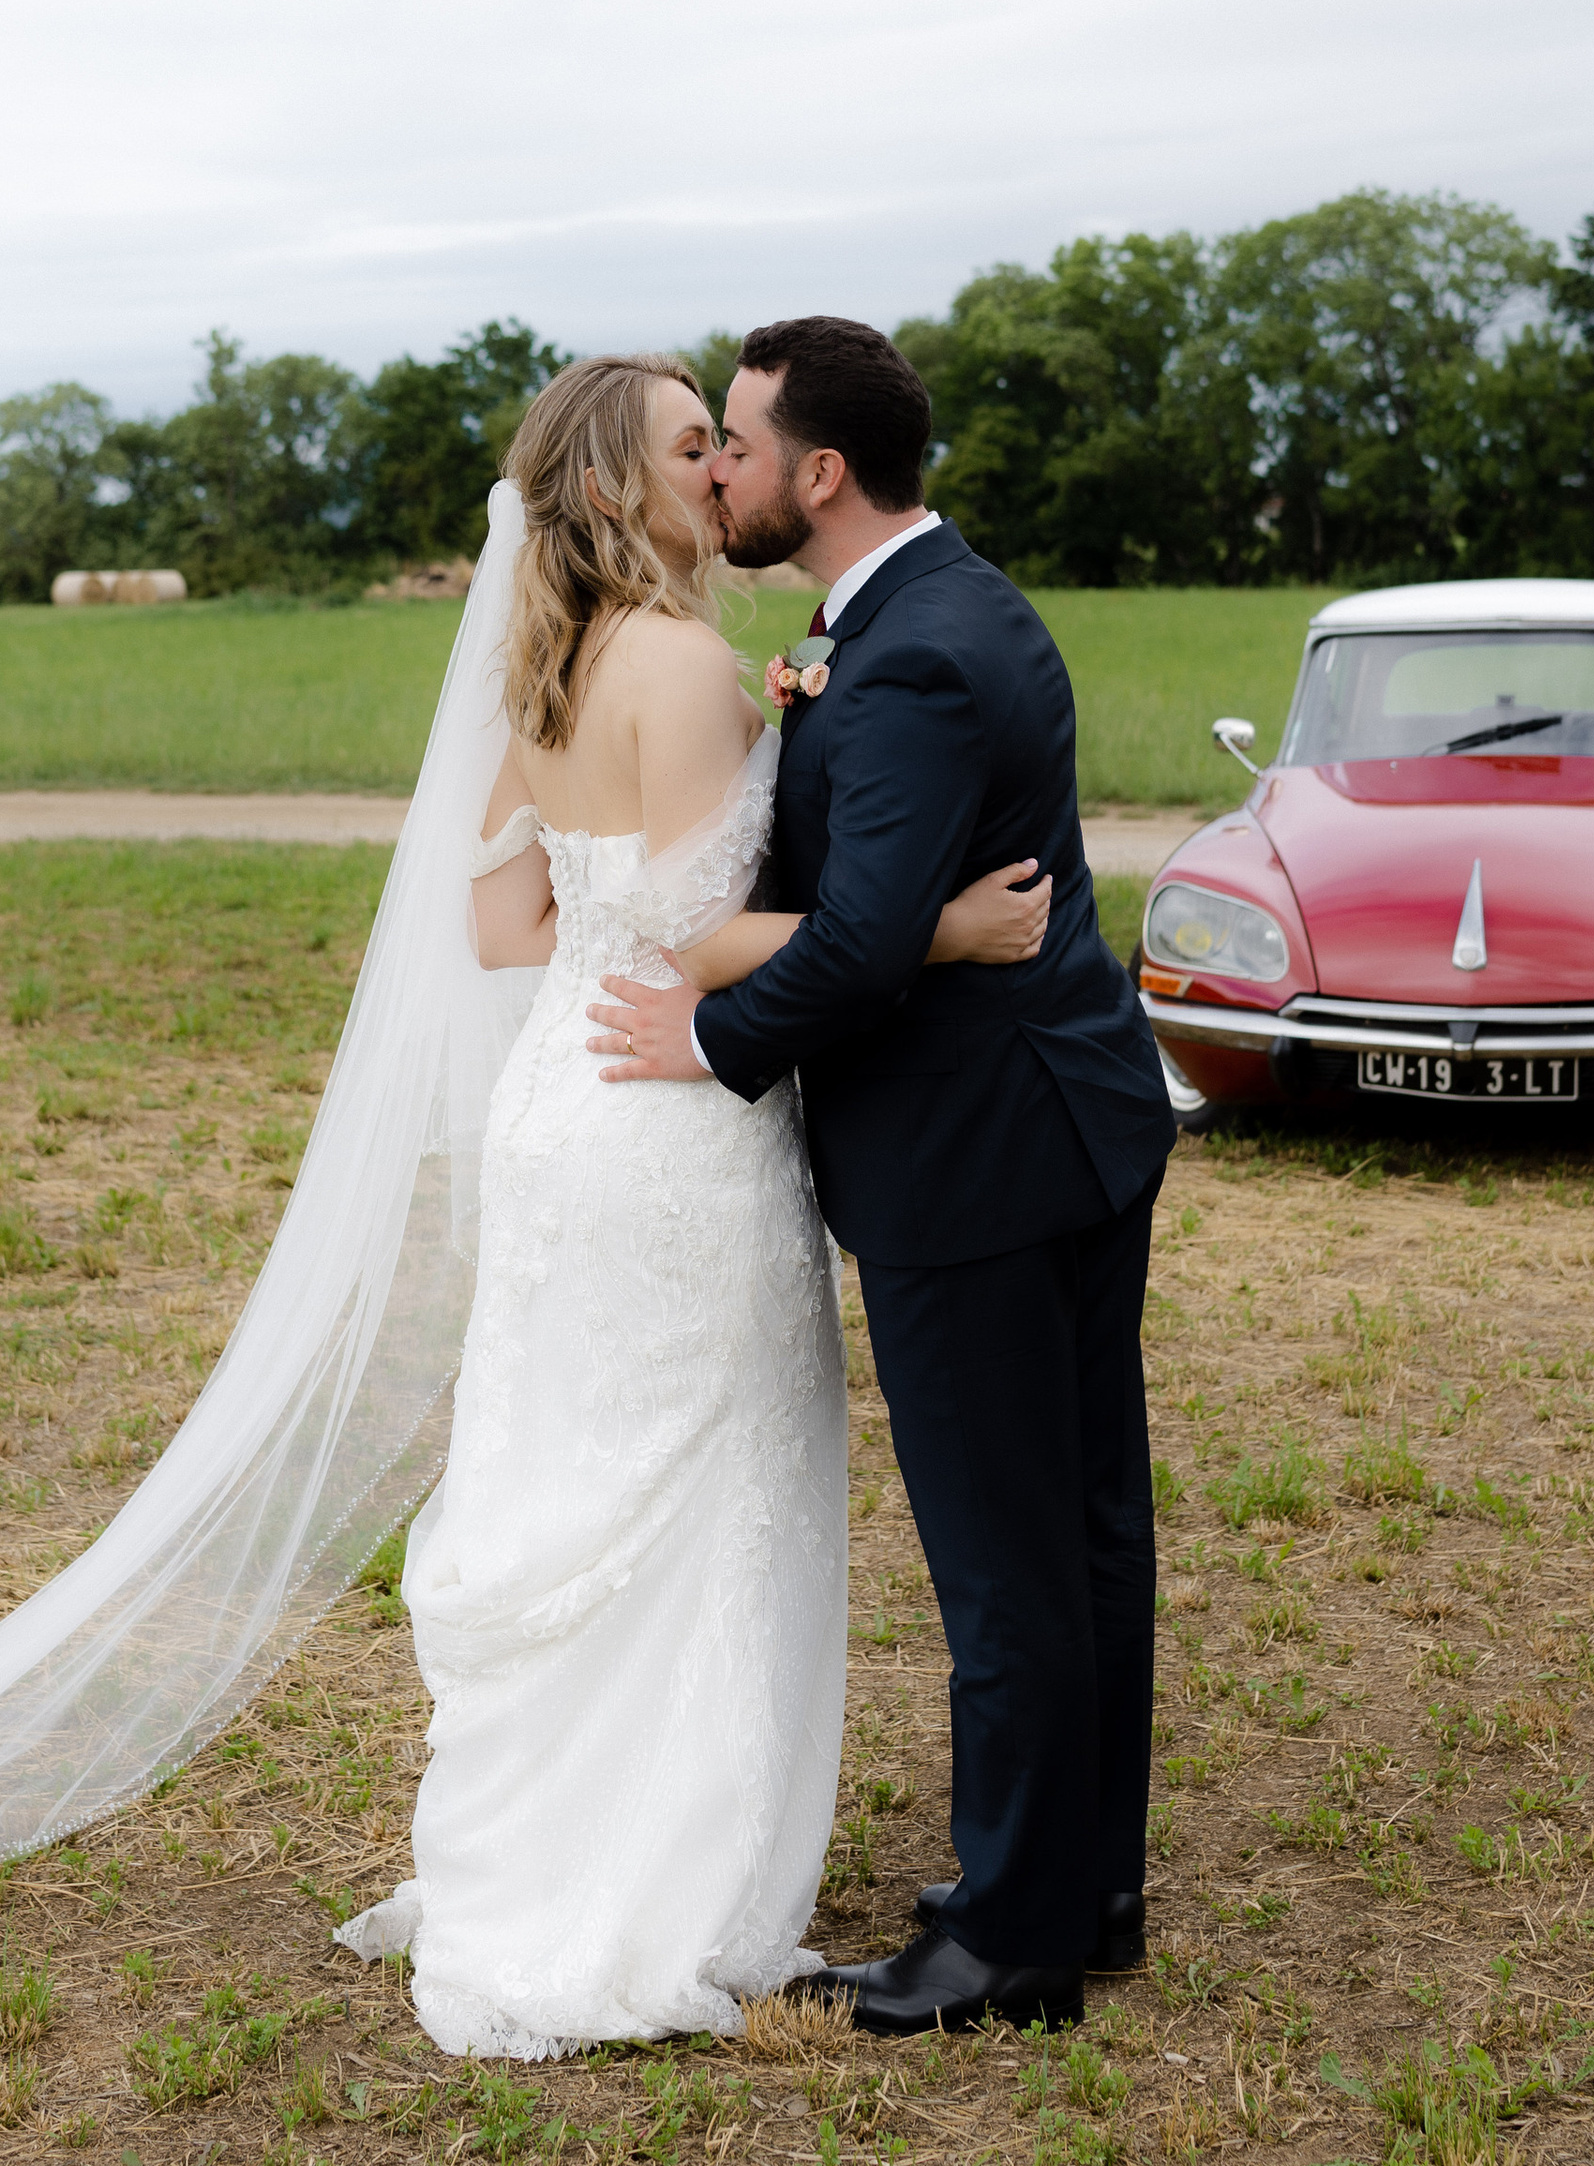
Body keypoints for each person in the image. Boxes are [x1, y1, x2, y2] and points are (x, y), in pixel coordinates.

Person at [336, 354, 1051, 2056]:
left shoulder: (549, 665)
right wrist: (930, 933)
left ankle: (552, 1854)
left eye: (723, 442)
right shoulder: (681, 658)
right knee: (705, 1483)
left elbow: (517, 932)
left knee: (582, 1472)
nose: (720, 471)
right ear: (613, 492)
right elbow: (690, 929)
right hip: (671, 1128)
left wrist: (626, 923)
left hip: (558, 1116)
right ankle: (667, 1891)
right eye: (688, 448)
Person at [592, 316, 1175, 2037]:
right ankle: (1087, 1883)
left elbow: (850, 954)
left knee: (1010, 1563)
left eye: (739, 448)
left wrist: (700, 1046)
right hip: (1069, 1122)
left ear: (818, 473)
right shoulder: (952, 606)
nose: (718, 476)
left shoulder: (908, 656)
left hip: (975, 1164)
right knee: (1083, 1537)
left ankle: (1010, 1940)